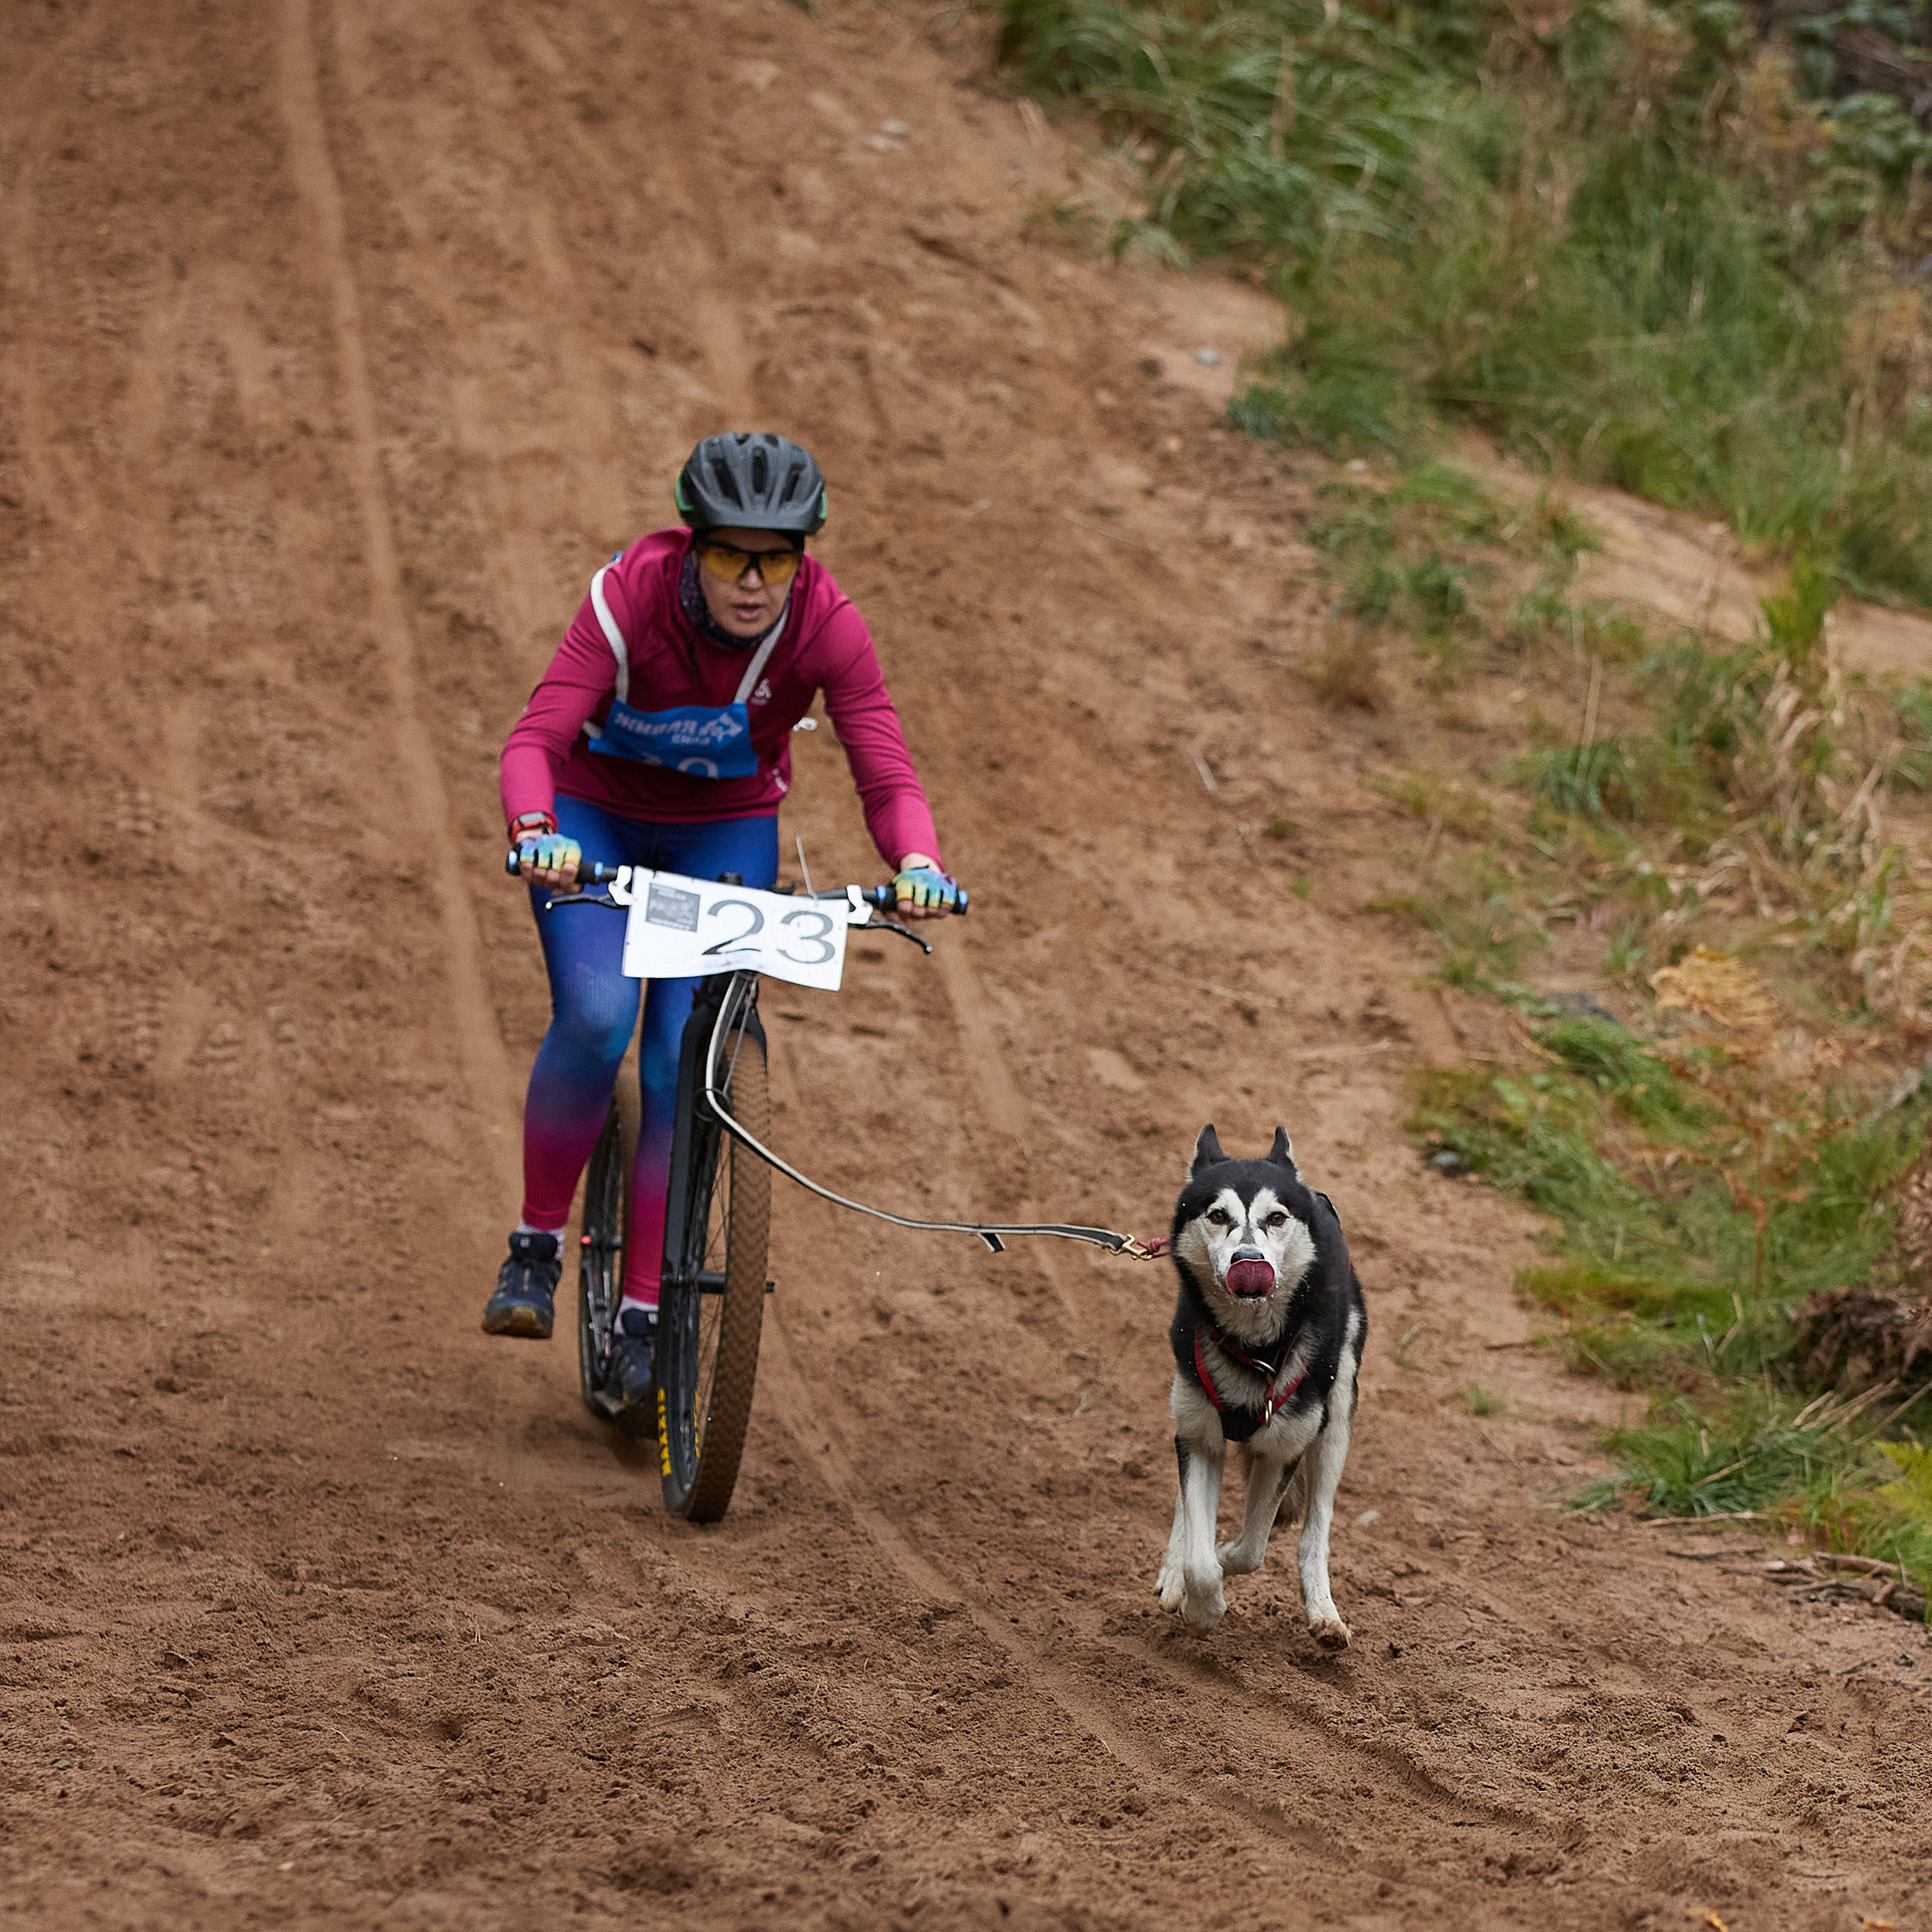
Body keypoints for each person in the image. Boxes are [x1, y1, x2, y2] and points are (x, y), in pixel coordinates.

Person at [483, 432, 961, 1408]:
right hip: (593, 820)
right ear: (692, 546)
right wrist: (536, 831)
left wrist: (917, 862)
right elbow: (536, 738)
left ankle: (644, 1314)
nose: (752, 581)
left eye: (776, 560)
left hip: (723, 835)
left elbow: (885, 768)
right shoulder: (629, 597)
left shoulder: (828, 626)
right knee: (598, 1015)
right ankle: (535, 1244)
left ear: (803, 559)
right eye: (732, 554)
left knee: (681, 1063)